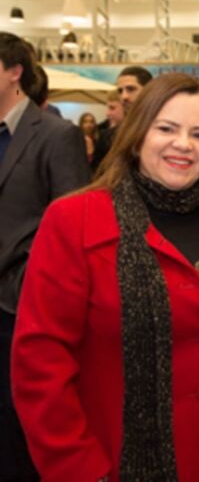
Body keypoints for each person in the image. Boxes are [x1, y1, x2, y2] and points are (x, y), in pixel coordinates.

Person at [11, 73, 199, 482]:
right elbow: (40, 365)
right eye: (166, 128)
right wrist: (80, 470)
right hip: (114, 463)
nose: (183, 144)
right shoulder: (76, 221)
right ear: (137, 133)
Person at [0, 31, 90, 482]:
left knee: (20, 432)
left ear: (14, 72)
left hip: (21, 304)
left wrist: (26, 275)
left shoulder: (56, 135)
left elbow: (72, 222)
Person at [91, 66, 152, 171]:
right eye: (120, 91)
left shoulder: (167, 130)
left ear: (149, 90)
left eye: (131, 89)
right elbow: (97, 175)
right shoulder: (108, 138)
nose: (124, 96)